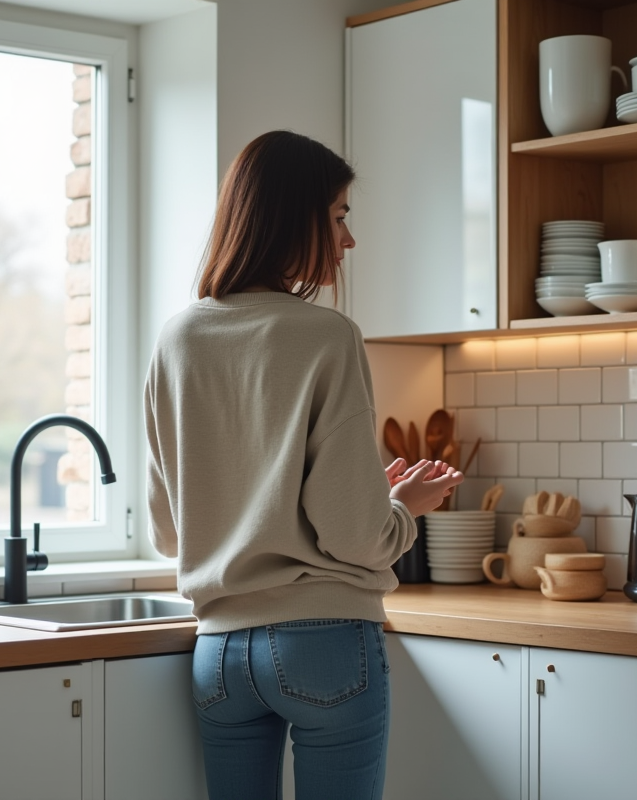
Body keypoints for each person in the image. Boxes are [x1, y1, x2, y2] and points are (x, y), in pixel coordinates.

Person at [143, 130, 464, 800]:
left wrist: (368, 496)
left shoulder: (176, 339)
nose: (349, 241)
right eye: (340, 216)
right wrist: (403, 512)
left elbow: (173, 535)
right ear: (294, 217)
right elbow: (350, 534)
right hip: (324, 648)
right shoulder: (327, 336)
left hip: (220, 658)